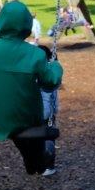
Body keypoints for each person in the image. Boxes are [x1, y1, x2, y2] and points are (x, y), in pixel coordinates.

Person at [0, 1, 63, 176]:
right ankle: (40, 159)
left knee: (24, 141)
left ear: (1, 24)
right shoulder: (36, 54)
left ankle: (35, 163)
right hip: (28, 118)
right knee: (32, 140)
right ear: (27, 26)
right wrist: (56, 66)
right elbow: (50, 83)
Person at [37, 45, 60, 176]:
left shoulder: (31, 72)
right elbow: (54, 96)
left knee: (38, 137)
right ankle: (48, 165)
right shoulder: (51, 72)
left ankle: (41, 163)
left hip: (33, 111)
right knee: (48, 137)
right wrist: (55, 110)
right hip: (46, 112)